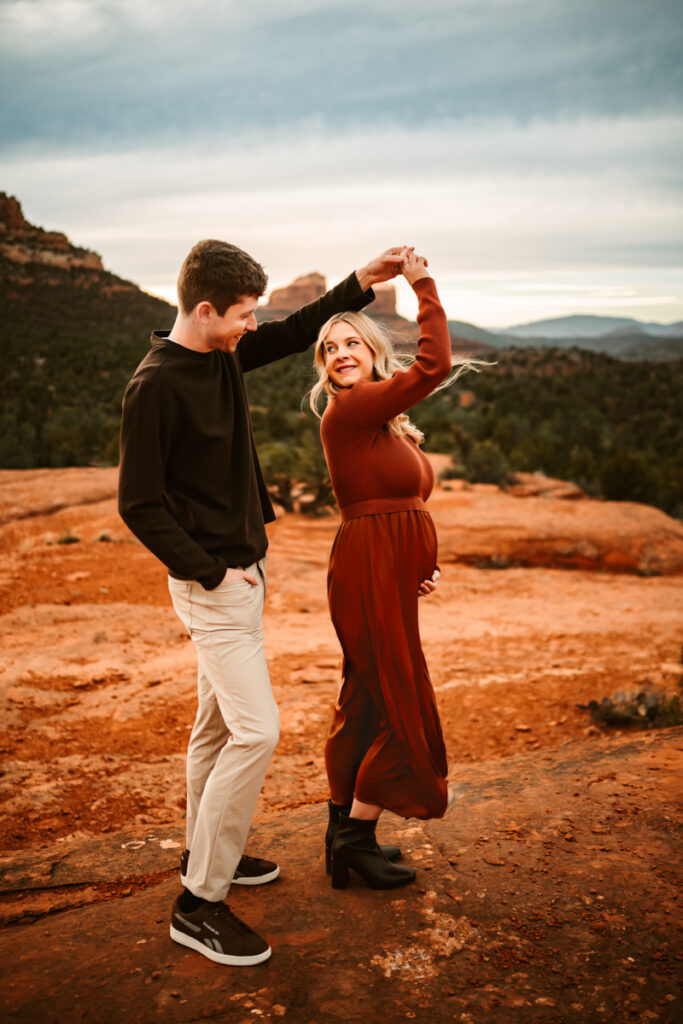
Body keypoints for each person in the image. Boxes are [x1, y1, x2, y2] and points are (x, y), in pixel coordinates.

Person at [118, 238, 411, 965]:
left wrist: (358, 283)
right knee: (257, 733)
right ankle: (199, 904)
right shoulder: (155, 385)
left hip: (241, 575)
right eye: (242, 314)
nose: (252, 326)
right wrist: (212, 574)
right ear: (207, 309)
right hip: (214, 587)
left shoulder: (218, 354)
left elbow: (286, 333)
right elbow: (138, 503)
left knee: (216, 730)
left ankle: (205, 851)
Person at [309, 251, 476, 890]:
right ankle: (356, 836)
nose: (340, 353)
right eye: (329, 348)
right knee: (392, 695)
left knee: (365, 697)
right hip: (366, 568)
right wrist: (421, 283)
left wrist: (416, 566)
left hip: (383, 571)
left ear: (376, 351)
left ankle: (339, 835)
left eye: (352, 342)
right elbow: (433, 364)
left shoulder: (385, 423)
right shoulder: (349, 410)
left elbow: (399, 503)